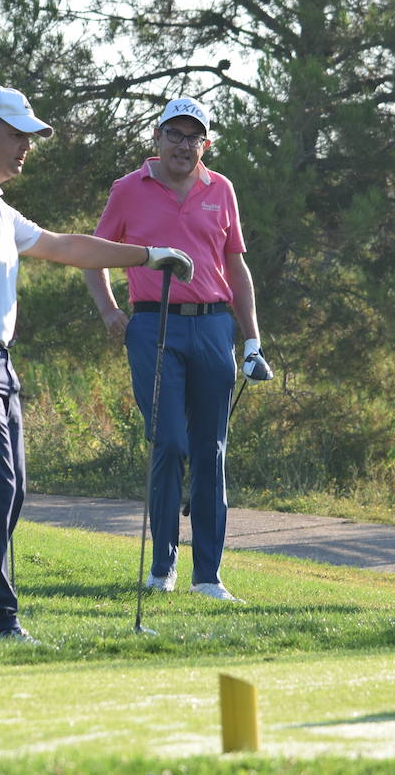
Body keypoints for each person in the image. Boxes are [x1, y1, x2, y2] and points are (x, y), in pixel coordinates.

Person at [0, 85, 194, 640]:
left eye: (29, 138)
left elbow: (65, 247)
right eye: (16, 135)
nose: (26, 148)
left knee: (11, 492)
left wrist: (147, 254)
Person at [83, 97, 271, 603]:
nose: (183, 145)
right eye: (175, 134)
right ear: (157, 137)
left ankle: (207, 576)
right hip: (153, 326)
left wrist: (251, 338)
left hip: (213, 328)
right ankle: (161, 566)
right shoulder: (129, 188)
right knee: (168, 442)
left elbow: (236, 269)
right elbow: (94, 254)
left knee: (211, 451)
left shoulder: (221, 189)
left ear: (204, 144)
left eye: (194, 137)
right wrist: (107, 310)